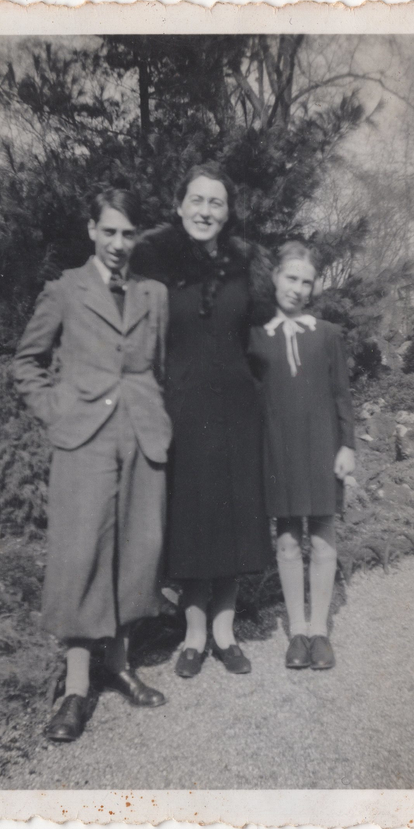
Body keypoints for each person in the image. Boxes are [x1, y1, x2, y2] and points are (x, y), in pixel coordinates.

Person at [13, 189, 172, 741]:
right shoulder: (64, 290)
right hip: (83, 440)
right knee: (81, 558)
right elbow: (26, 363)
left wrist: (155, 418)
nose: (119, 244)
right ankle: (76, 690)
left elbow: (162, 368)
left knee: (135, 554)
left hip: (143, 440)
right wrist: (57, 413)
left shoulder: (154, 294)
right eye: (109, 232)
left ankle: (120, 665)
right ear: (91, 230)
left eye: (129, 234)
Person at [131, 163, 272, 678]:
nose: (205, 211)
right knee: (192, 519)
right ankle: (193, 633)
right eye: (197, 200)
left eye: (216, 203)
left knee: (234, 517)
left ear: (228, 212)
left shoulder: (247, 268)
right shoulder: (155, 263)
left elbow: (263, 338)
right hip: (184, 408)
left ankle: (224, 631)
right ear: (179, 204)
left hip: (237, 409)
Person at [248, 241, 356, 670]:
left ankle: (320, 631)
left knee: (322, 535)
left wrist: (347, 445)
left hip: (321, 444)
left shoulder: (326, 334)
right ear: (275, 277)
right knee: (289, 538)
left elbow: (342, 395)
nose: (296, 288)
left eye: (306, 282)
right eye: (290, 277)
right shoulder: (256, 336)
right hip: (278, 446)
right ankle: (296, 631)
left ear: (313, 289)